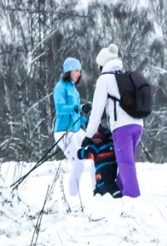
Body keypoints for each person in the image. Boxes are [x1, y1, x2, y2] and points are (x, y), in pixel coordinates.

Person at [85, 44, 143, 198]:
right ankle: (119, 193)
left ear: (103, 64)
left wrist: (88, 135)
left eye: (98, 65)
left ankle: (132, 197)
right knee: (127, 162)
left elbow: (96, 112)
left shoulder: (105, 79)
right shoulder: (125, 77)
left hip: (122, 127)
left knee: (125, 164)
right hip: (138, 124)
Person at [52, 57, 94, 197]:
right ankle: (73, 199)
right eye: (76, 70)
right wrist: (79, 107)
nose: (79, 74)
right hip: (63, 132)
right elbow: (60, 109)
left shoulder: (73, 89)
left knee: (96, 151)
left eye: (80, 71)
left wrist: (85, 122)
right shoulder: (60, 87)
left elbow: (76, 114)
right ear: (69, 70)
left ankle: (99, 191)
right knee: (79, 164)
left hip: (76, 131)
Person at [78, 124, 122, 198]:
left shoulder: (95, 146)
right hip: (113, 168)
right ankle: (98, 193)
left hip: (102, 171)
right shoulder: (111, 142)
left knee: (104, 184)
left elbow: (88, 154)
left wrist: (80, 152)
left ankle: (117, 195)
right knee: (108, 182)